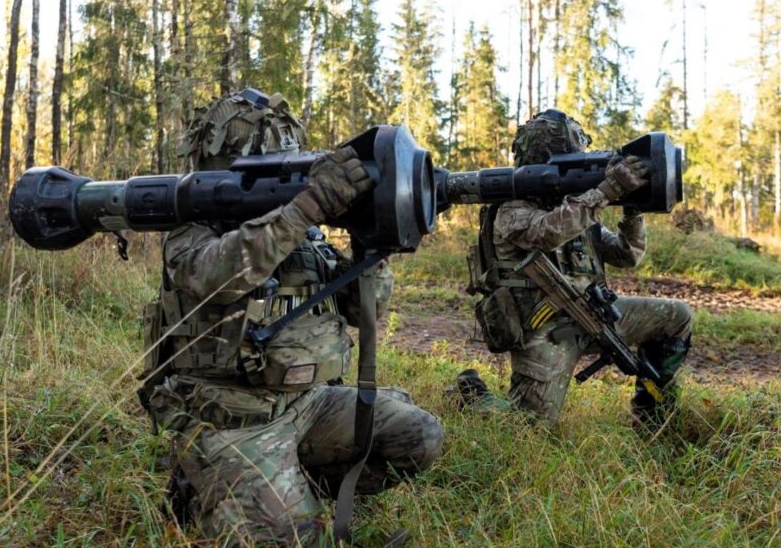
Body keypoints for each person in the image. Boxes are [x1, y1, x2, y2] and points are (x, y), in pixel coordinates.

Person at [140, 89, 443, 546]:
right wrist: (303, 209)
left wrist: (371, 246)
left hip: (309, 404)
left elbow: (365, 311)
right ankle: (207, 487)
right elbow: (220, 277)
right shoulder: (192, 231)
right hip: (235, 419)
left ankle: (288, 484)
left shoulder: (307, 235)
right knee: (296, 539)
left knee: (419, 435)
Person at [454, 109, 693, 429]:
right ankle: (473, 394)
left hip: (595, 317)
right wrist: (605, 192)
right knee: (528, 428)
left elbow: (626, 254)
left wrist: (631, 210)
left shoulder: (578, 207)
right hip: (549, 333)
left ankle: (653, 420)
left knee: (676, 317)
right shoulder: (511, 209)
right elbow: (547, 233)